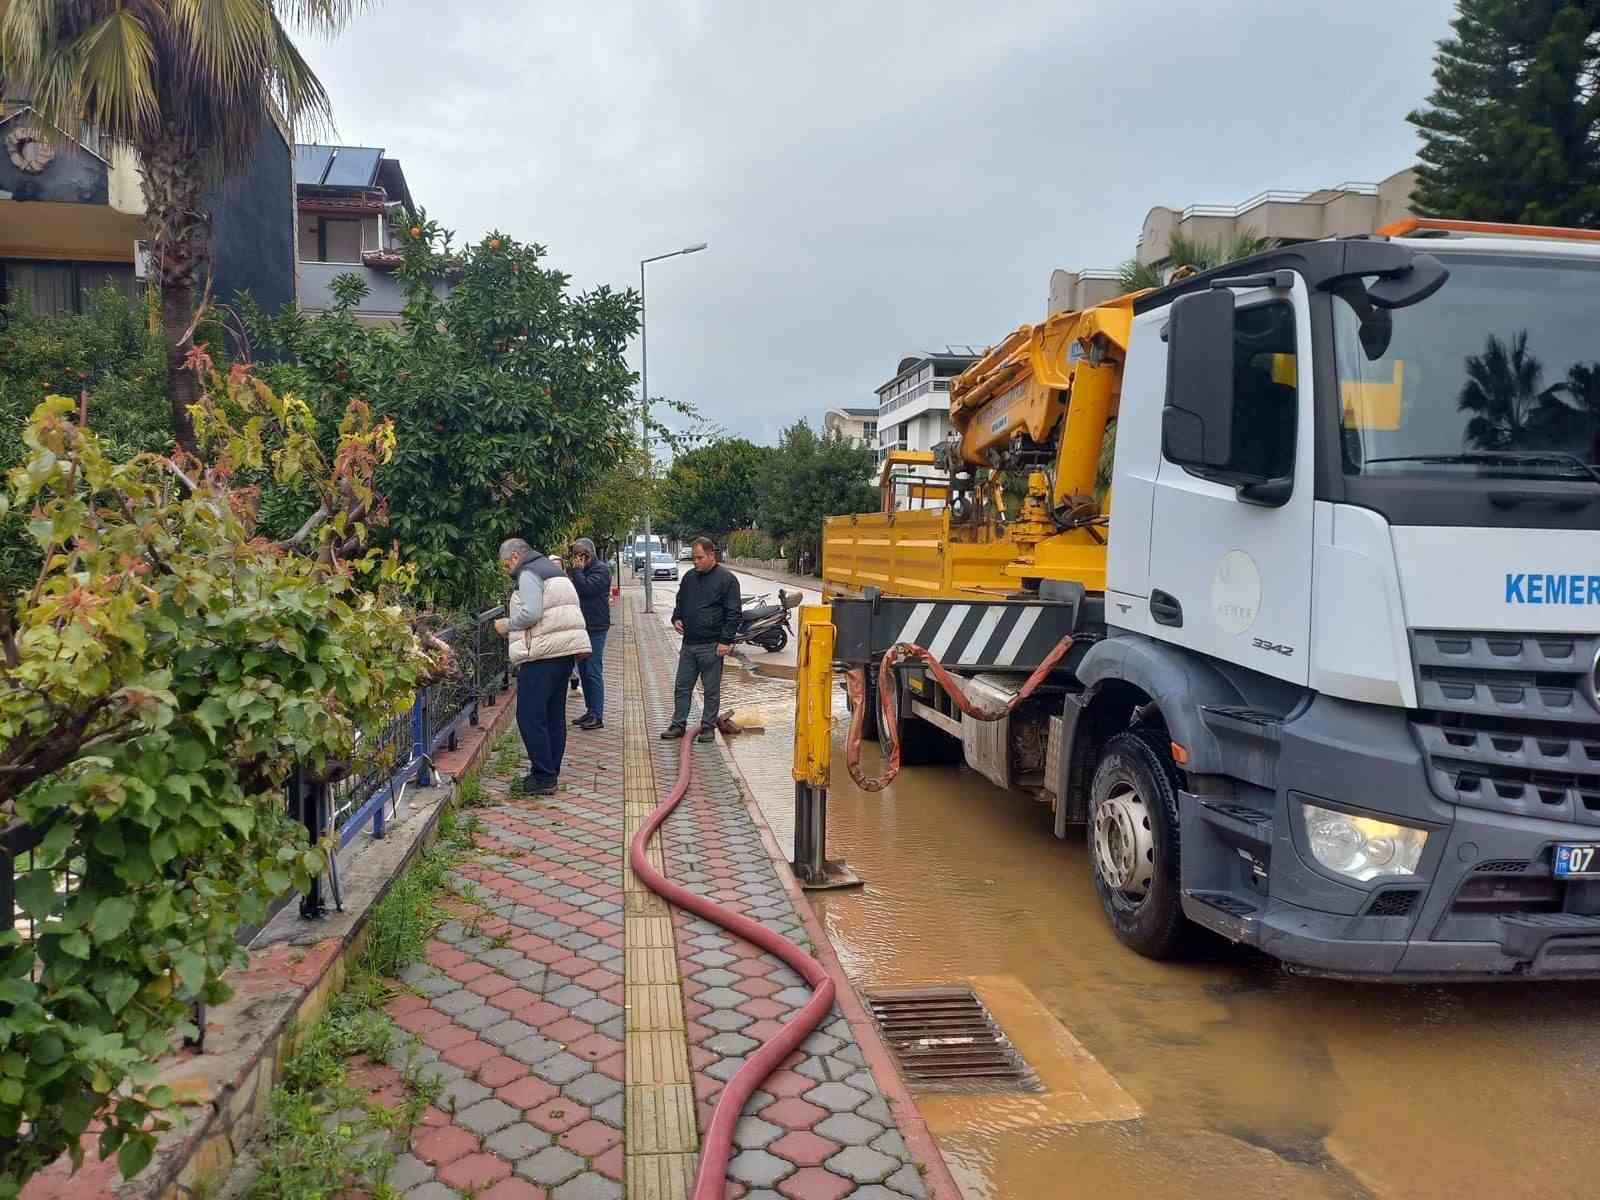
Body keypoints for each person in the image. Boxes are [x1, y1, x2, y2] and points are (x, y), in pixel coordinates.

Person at [494, 538, 590, 794]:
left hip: (542, 655)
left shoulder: (529, 573)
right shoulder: (553, 570)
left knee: (529, 716)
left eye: (506, 564)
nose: (507, 569)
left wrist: (507, 625)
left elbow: (531, 613)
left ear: (515, 557)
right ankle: (551, 771)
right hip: (564, 652)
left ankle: (543, 776)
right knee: (553, 714)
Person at [661, 536, 740, 744]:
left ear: (711, 555)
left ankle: (707, 727)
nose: (695, 562)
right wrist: (676, 618)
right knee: (682, 686)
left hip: (712, 645)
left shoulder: (727, 580)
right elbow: (680, 602)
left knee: (711, 690)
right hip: (689, 644)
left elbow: (733, 613)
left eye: (699, 558)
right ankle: (678, 725)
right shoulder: (689, 578)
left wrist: (725, 641)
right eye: (694, 558)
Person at [567, 537, 612, 730]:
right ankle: (590, 710)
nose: (576, 559)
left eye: (579, 555)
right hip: (582, 626)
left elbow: (586, 589)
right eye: (575, 556)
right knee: (584, 670)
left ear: (587, 554)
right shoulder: (580, 570)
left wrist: (577, 571)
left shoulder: (601, 570)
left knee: (593, 670)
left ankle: (597, 715)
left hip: (595, 626)